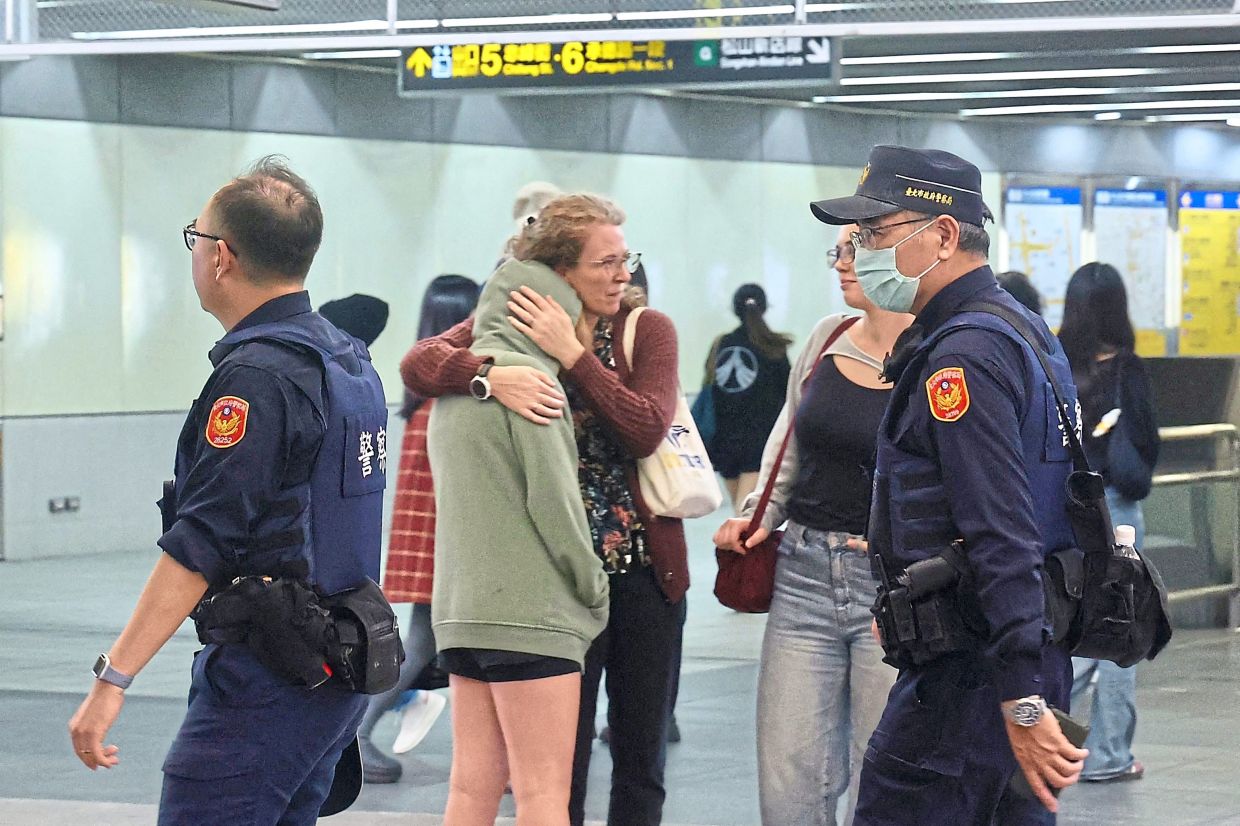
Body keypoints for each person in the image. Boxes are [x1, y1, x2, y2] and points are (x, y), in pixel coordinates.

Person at [68, 157, 389, 824]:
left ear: (221, 258)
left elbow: (202, 543)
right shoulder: (344, 360)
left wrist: (113, 678)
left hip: (265, 680)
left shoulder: (259, 380)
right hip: (337, 666)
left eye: (197, 237)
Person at [809, 145, 1090, 824]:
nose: (862, 249)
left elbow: (1000, 530)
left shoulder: (963, 358)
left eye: (876, 233)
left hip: (971, 677)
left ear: (940, 235)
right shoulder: (1020, 331)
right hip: (1020, 655)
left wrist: (1019, 697)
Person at [401, 193, 689, 826]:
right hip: (547, 585)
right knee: (552, 777)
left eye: (626, 260)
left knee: (639, 753)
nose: (623, 276)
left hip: (639, 573)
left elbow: (644, 429)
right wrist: (486, 375)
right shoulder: (516, 324)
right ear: (560, 273)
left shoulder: (645, 329)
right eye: (605, 263)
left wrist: (576, 357)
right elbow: (419, 363)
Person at [713, 227, 906, 826]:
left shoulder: (939, 352)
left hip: (894, 585)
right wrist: (753, 518)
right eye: (838, 252)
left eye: (855, 250)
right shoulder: (828, 338)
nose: (841, 264)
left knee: (885, 779)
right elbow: (786, 452)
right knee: (789, 789)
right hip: (803, 575)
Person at [429, 255, 609, 826]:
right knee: (542, 796)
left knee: (469, 790)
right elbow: (554, 506)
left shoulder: (457, 390)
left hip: (461, 615)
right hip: (533, 619)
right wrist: (593, 586)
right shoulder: (535, 388)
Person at [353, 275, 480, 783]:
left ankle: (357, 734)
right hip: (445, 545)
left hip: (430, 542)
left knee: (425, 643)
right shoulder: (448, 401)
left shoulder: (423, 396)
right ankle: (356, 736)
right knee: (423, 645)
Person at [1060, 262, 1160, 784]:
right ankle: (1108, 756)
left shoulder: (1053, 361)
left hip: (1062, 509)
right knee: (1122, 626)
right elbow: (1146, 443)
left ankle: (1043, 734)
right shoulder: (1128, 368)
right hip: (1116, 508)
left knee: (1070, 626)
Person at [706, 284, 793, 514]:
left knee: (742, 512)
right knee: (744, 516)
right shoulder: (773, 348)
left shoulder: (721, 345)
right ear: (764, 308)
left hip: (725, 445)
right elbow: (789, 396)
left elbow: (712, 390)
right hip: (759, 446)